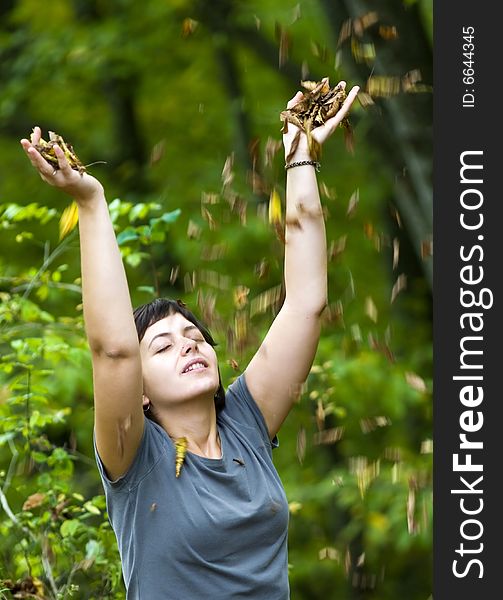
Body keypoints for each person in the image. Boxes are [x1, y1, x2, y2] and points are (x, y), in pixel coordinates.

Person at [20, 81, 359, 599]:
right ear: (140, 390)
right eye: (162, 346)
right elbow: (112, 349)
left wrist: (300, 157)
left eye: (195, 336)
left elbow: (306, 302)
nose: (188, 345)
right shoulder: (133, 453)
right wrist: (91, 202)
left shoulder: (247, 422)